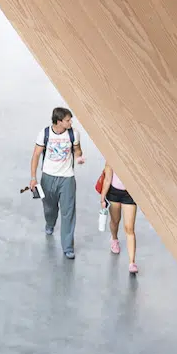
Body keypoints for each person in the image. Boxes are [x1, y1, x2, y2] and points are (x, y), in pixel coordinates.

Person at [27, 106, 85, 260]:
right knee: (50, 208)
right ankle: (50, 223)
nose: (70, 122)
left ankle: (67, 247)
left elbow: (77, 150)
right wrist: (33, 177)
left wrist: (79, 157)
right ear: (59, 121)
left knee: (68, 212)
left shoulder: (74, 133)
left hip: (67, 178)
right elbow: (36, 156)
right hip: (48, 177)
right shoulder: (44, 134)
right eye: (67, 120)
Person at [97, 163, 139, 275]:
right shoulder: (112, 157)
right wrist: (102, 199)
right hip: (114, 192)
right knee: (115, 221)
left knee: (129, 228)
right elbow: (107, 179)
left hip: (130, 194)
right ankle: (114, 239)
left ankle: (132, 262)